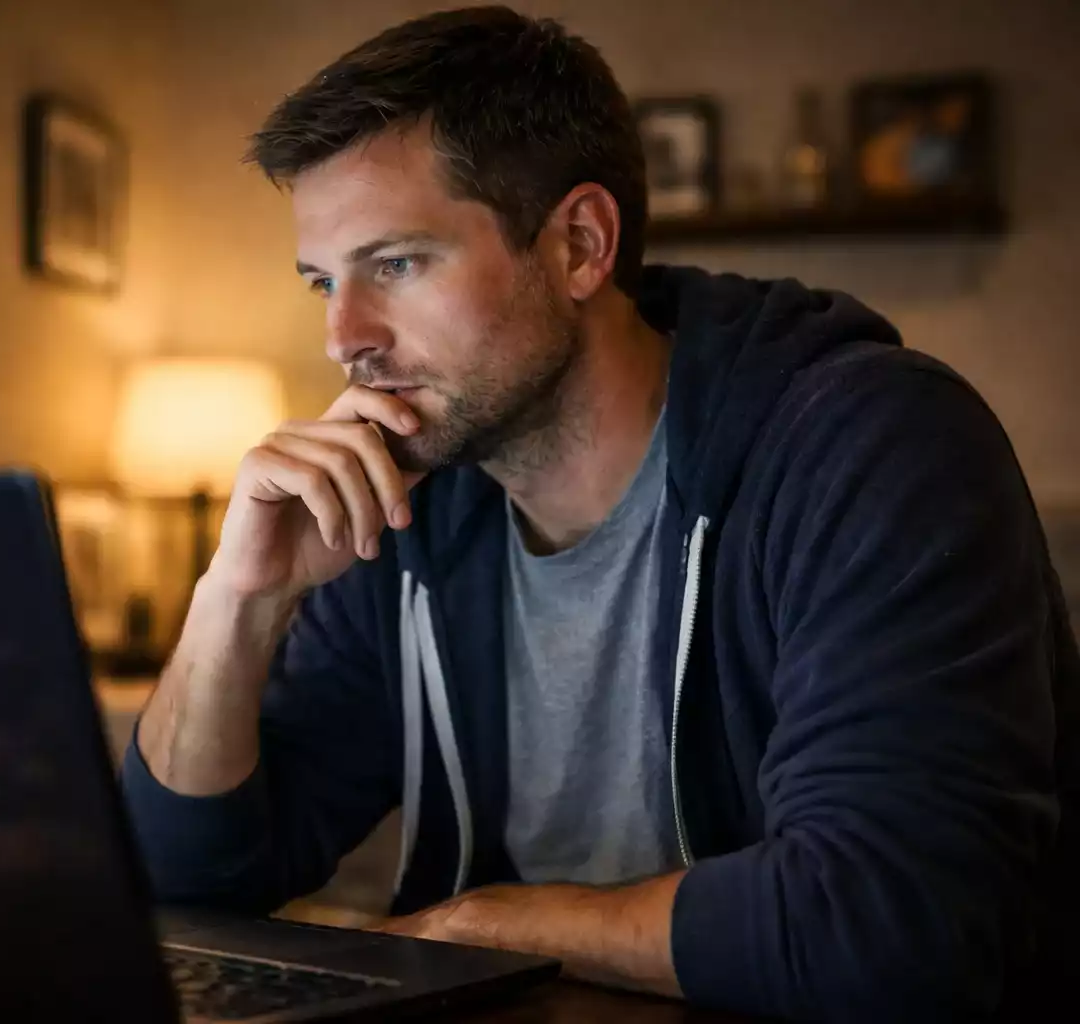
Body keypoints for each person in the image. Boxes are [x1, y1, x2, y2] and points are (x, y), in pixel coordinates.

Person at [119, 7, 1080, 1019]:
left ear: (580, 244)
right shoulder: (412, 504)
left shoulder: (871, 447)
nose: (342, 336)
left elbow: (893, 922)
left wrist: (482, 932)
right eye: (324, 281)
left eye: (395, 264)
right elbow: (183, 886)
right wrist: (237, 600)